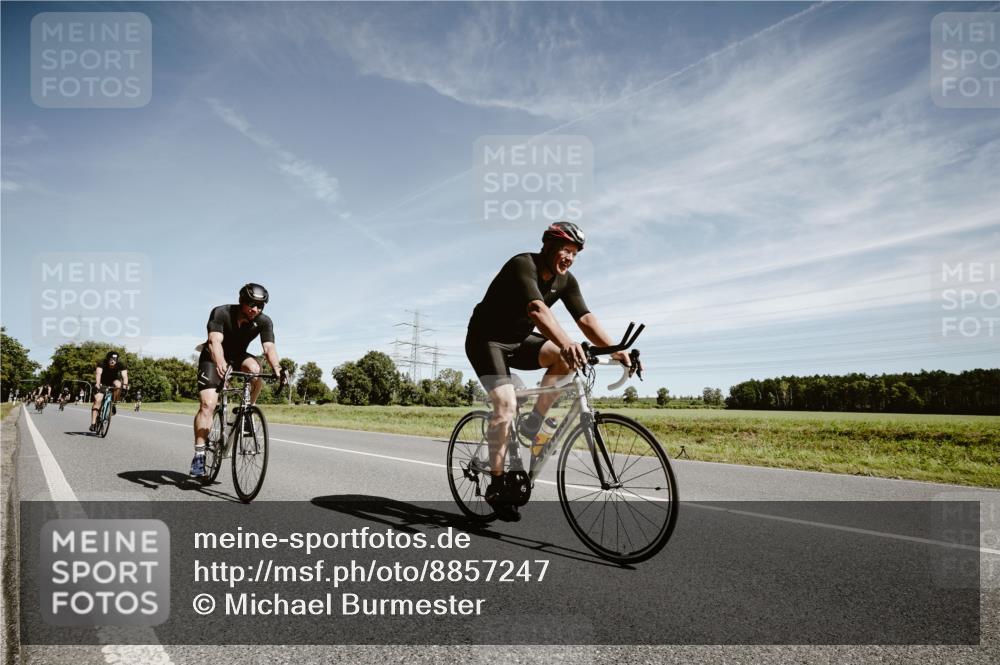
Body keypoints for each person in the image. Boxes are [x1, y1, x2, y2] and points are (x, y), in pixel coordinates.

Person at [465, 221, 630, 521]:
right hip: (486, 340)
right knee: (505, 406)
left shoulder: (566, 281)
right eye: (566, 250)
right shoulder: (522, 265)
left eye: (575, 253)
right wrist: (567, 342)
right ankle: (498, 483)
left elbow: (586, 319)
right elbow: (538, 311)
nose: (569, 258)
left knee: (565, 360)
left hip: (519, 341)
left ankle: (533, 423)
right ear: (549, 247)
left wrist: (618, 350)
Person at [190, 283, 288, 477]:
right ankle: (199, 455)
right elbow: (214, 341)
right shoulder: (221, 312)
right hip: (212, 357)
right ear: (242, 300)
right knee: (208, 405)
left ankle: (247, 411)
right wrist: (221, 363)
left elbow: (269, 348)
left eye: (260, 306)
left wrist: (277, 367)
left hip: (238, 356)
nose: (255, 309)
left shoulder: (264, 321)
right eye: (252, 304)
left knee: (255, 369)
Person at [90, 351, 129, 432]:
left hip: (113, 381)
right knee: (98, 400)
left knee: (118, 385)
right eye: (111, 359)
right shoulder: (102, 363)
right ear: (107, 359)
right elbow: (98, 374)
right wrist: (97, 384)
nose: (113, 361)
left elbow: (125, 376)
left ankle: (113, 403)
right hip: (102, 383)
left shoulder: (121, 364)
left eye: (115, 359)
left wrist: (125, 385)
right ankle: (93, 423)